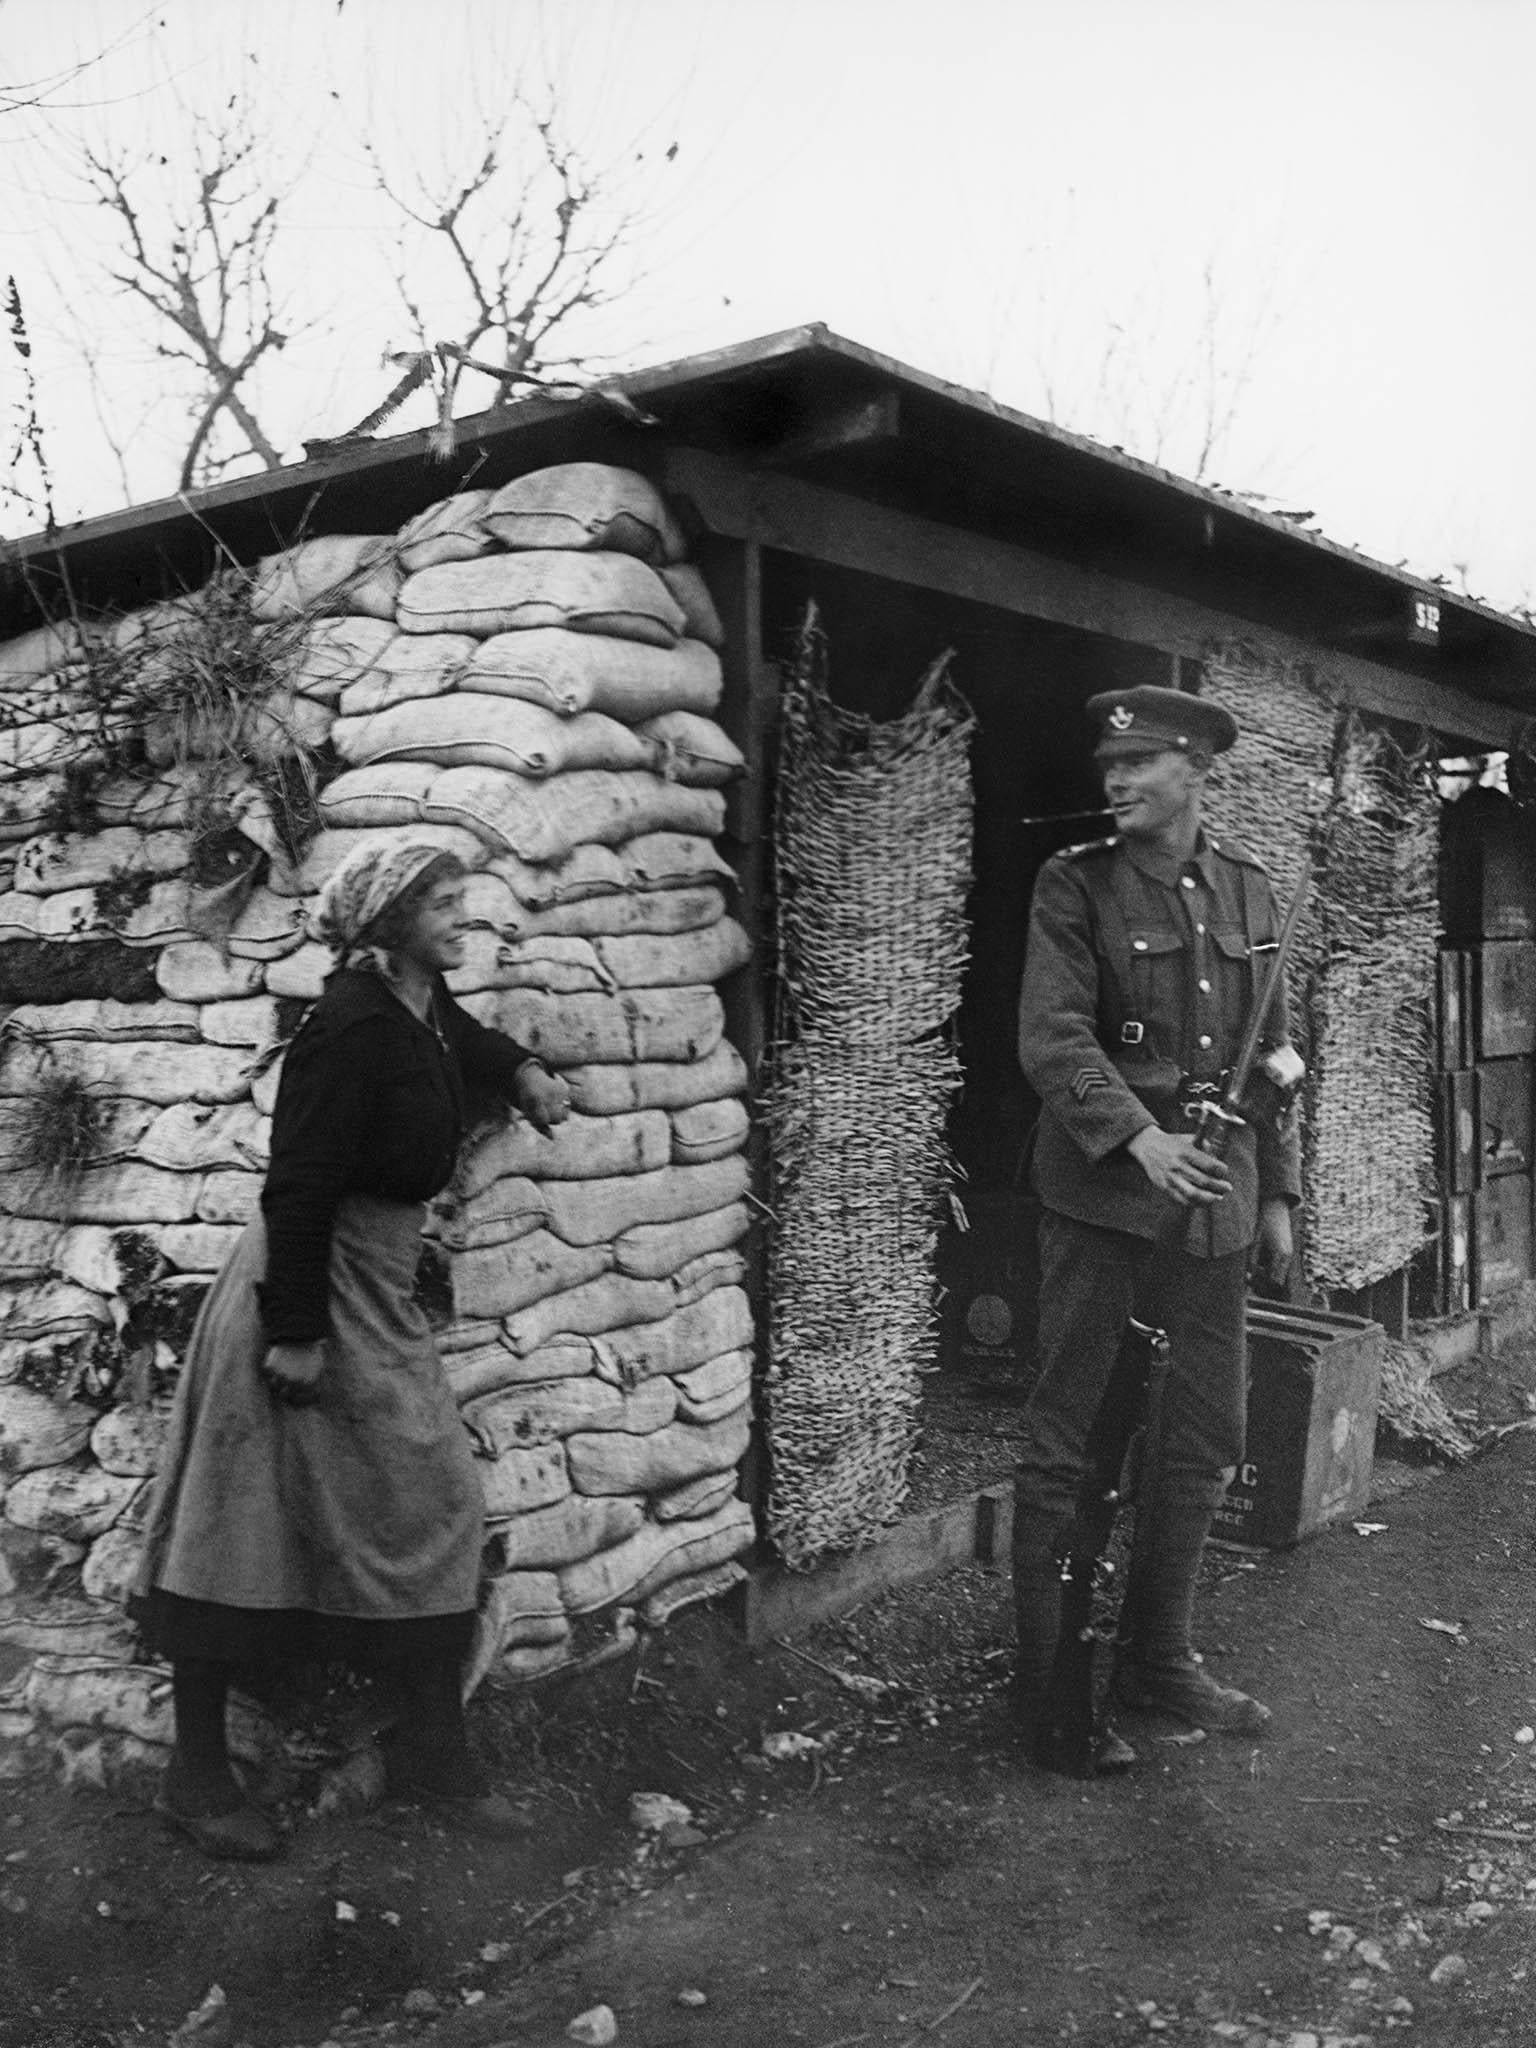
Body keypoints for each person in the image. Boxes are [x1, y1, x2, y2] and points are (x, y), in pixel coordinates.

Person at [132, 835, 572, 1859]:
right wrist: (294, 1333)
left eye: (466, 900)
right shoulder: (349, 1025)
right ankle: (196, 1778)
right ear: (387, 926)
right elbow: (299, 1181)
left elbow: (459, 1036)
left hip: (372, 1279)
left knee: (435, 1503)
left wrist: (523, 1072)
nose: (466, 919)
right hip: (307, 1283)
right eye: (444, 907)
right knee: (238, 1527)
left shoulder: (415, 1006)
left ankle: (431, 1754)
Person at [1012, 685, 1302, 1767]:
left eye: (1139, 764)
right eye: (1109, 767)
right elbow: (1050, 1038)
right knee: (1070, 1442)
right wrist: (1139, 1140)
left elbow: (1277, 1058)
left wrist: (1273, 1191)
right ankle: (1049, 1695)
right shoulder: (1073, 885)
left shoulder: (1250, 890)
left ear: (1196, 769)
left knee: (1203, 1439)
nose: (1117, 781)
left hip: (1216, 1211)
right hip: (1105, 1204)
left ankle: (1159, 1657)